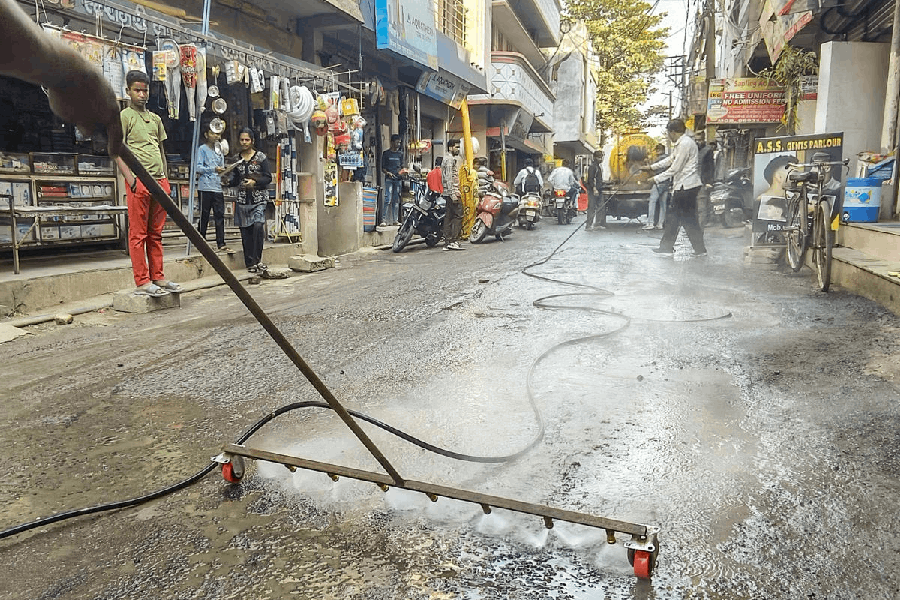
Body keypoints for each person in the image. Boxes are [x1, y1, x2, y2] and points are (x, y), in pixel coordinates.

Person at [115, 70, 181, 297]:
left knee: (156, 233)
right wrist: (131, 179)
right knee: (138, 234)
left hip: (159, 181)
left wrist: (166, 181)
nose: (142, 95)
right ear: (128, 92)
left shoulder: (155, 119)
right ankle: (142, 280)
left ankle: (158, 277)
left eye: (145, 90)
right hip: (139, 182)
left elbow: (161, 150)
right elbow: (115, 151)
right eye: (137, 90)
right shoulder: (124, 116)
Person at [644, 118, 707, 257]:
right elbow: (670, 159)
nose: (668, 136)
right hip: (686, 185)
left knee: (675, 217)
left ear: (673, 132)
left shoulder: (685, 144)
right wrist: (651, 167)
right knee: (686, 218)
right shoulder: (682, 144)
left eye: (668, 133)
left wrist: (656, 178)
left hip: (686, 186)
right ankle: (699, 249)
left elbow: (675, 168)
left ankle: (668, 247)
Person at [223, 127, 272, 273]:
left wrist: (254, 183)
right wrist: (226, 179)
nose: (244, 142)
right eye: (242, 140)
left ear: (252, 141)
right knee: (246, 233)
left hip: (259, 198)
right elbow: (235, 179)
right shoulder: (236, 159)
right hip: (243, 200)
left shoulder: (261, 158)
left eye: (247, 140)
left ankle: (257, 260)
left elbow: (268, 177)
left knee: (258, 227)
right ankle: (249, 263)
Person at [196, 125, 230, 252]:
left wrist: (224, 174)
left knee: (219, 215)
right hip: (205, 187)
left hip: (217, 187)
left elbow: (220, 168)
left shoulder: (220, 150)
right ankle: (201, 240)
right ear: (206, 134)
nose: (216, 136)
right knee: (204, 214)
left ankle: (221, 243)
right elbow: (198, 168)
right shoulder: (202, 149)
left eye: (218, 134)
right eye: (213, 133)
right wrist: (213, 169)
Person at [441, 138, 464, 251]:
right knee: (458, 215)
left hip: (449, 192)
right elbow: (448, 177)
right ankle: (453, 240)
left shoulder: (447, 158)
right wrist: (452, 194)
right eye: (457, 147)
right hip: (452, 192)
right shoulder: (449, 159)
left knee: (448, 216)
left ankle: (447, 242)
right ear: (450, 147)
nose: (458, 149)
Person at [643, 143, 670, 230]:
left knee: (652, 202)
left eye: (657, 150)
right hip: (666, 183)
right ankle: (660, 224)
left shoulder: (659, 160)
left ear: (659, 150)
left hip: (658, 183)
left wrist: (647, 163)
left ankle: (650, 223)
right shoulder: (668, 159)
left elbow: (652, 170)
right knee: (663, 204)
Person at [381, 134, 404, 226]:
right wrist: (388, 173)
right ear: (392, 142)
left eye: (399, 142)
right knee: (387, 199)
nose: (398, 144)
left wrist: (402, 172)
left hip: (398, 180)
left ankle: (395, 220)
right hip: (389, 180)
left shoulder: (400, 154)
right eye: (397, 142)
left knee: (396, 200)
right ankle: (383, 220)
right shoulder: (386, 154)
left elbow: (402, 167)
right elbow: (383, 168)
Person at [584, 150, 606, 231]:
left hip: (599, 190)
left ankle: (597, 224)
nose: (601, 159)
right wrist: (594, 189)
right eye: (599, 157)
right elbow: (591, 179)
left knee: (600, 207)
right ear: (595, 158)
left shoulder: (598, 166)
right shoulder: (593, 167)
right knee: (592, 207)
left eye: (601, 157)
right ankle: (588, 225)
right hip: (594, 191)